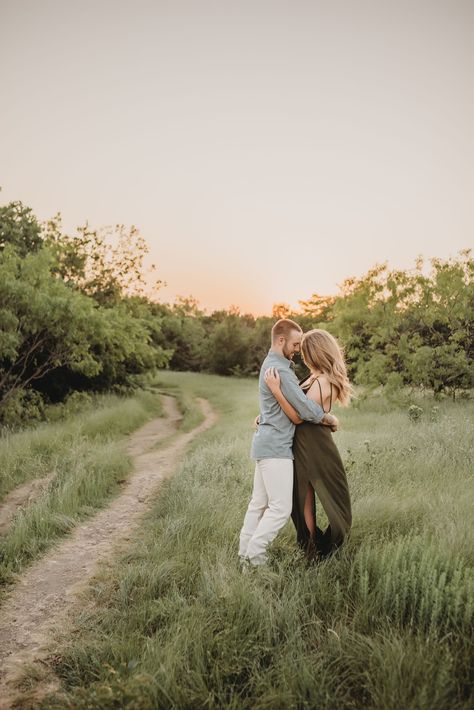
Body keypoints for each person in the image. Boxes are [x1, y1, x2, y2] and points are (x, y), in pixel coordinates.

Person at [238, 319, 339, 567]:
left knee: (258, 504)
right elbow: (304, 410)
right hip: (277, 448)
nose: (298, 349)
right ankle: (254, 557)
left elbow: (286, 410)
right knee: (280, 509)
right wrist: (328, 418)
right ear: (281, 340)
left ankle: (244, 555)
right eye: (295, 344)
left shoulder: (270, 364)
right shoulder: (281, 370)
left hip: (264, 444)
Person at [264, 328, 352, 560]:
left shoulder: (324, 381)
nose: (302, 355)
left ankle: (314, 549)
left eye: (305, 351)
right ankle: (310, 545)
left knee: (310, 493)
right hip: (303, 441)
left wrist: (275, 390)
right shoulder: (315, 377)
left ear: (316, 352)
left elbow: (302, 414)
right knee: (303, 494)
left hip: (314, 444)